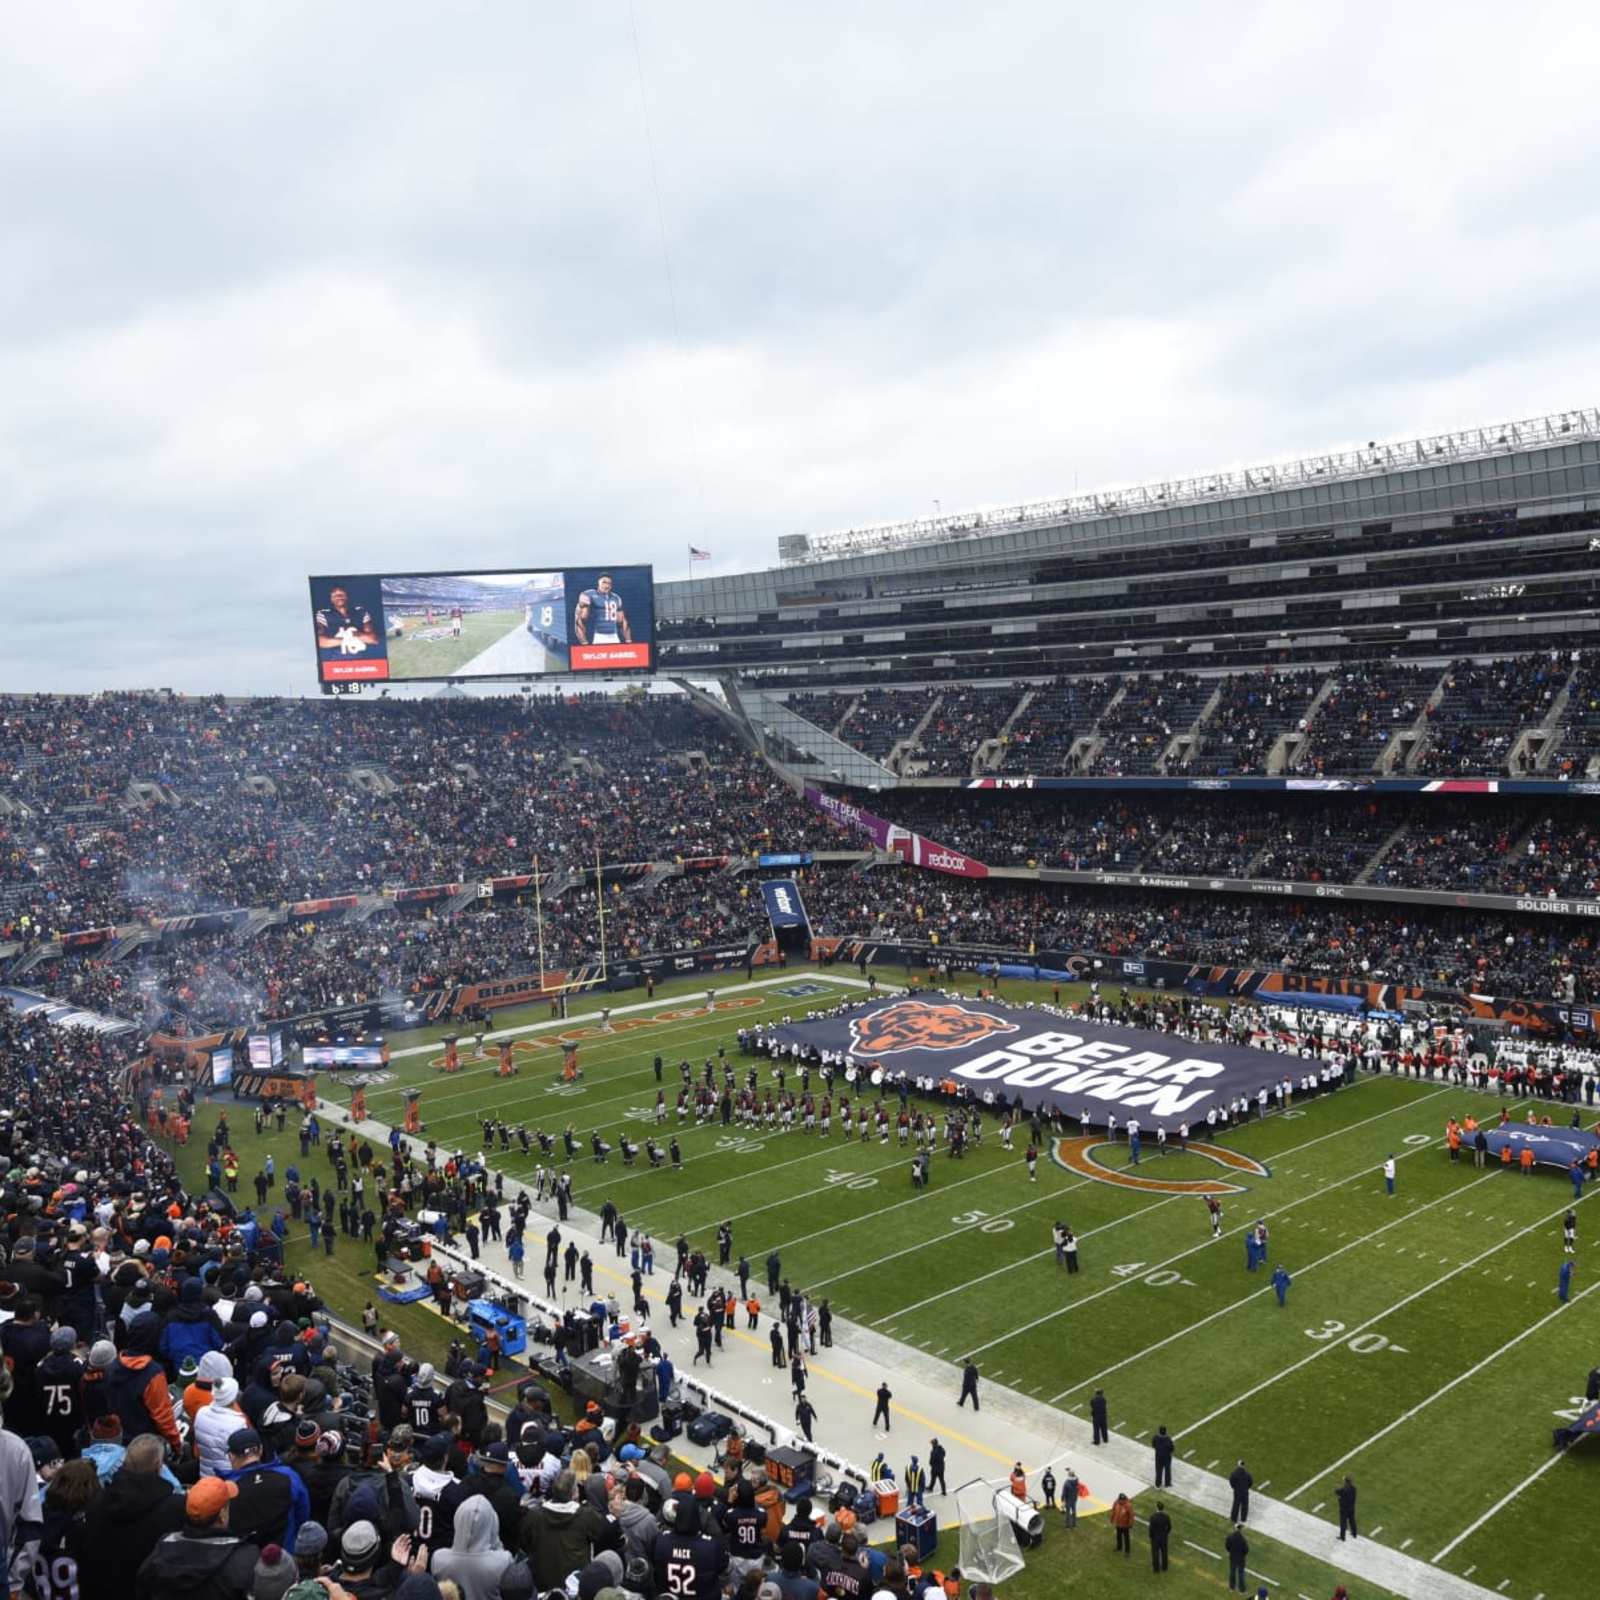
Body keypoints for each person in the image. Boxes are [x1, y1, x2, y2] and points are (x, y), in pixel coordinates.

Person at [315, 585, 381, 659]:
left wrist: (342, 638)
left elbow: (374, 639)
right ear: (331, 599)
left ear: (347, 596)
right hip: (337, 665)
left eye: (342, 594)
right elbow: (321, 642)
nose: (339, 596)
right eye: (335, 595)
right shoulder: (324, 614)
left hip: (361, 664)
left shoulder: (360, 612)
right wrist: (352, 637)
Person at [574, 573, 632, 646]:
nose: (607, 586)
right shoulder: (589, 595)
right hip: (599, 637)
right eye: (604, 582)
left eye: (609, 583)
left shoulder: (616, 598)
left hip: (614, 636)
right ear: (598, 582)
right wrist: (584, 642)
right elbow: (580, 620)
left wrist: (628, 641)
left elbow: (622, 621)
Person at [1148, 1499, 1172, 1572]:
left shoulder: (1153, 1517)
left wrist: (1151, 1536)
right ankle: (1165, 1567)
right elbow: (1169, 1527)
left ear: (1157, 1507)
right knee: (1164, 1551)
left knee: (1155, 1552)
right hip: (1164, 1536)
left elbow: (1151, 1528)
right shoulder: (1166, 1516)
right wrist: (1166, 1533)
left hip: (1156, 1537)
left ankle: (1156, 1568)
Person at [1225, 1522, 1250, 1592]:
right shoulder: (1243, 1539)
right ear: (1240, 1529)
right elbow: (1246, 1550)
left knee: (1232, 1572)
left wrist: (1231, 1552)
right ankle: (1242, 1590)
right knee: (1241, 1574)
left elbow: (1227, 1546)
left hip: (1232, 1557)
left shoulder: (1230, 1537)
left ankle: (1231, 1587)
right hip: (1241, 1559)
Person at [1335, 1473, 1358, 1540]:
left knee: (1343, 1522)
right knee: (1352, 1520)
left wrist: (1340, 1498)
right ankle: (1354, 1533)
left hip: (1344, 1508)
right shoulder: (1354, 1489)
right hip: (1351, 1507)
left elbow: (1337, 1491)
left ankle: (1342, 1537)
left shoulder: (1343, 1490)